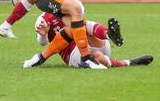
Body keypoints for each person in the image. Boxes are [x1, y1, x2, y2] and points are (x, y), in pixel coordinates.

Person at [23, 12, 152, 69]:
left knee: (80, 25)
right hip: (72, 54)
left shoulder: (71, 5)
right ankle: (128, 62)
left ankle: (109, 35)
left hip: (96, 43)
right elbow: (42, 42)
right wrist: (44, 34)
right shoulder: (43, 18)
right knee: (96, 55)